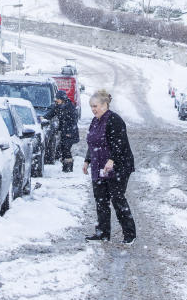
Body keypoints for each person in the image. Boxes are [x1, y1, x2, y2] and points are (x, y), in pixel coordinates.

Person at [82, 89, 136, 244]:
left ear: (105, 105)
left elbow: (120, 143)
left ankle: (129, 234)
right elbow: (93, 143)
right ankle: (103, 233)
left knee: (117, 199)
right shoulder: (95, 121)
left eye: (96, 106)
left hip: (118, 166)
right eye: (91, 106)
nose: (93, 109)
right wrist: (87, 160)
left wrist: (112, 159)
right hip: (99, 166)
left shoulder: (114, 120)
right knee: (101, 200)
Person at [51, 90, 79, 172]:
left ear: (62, 99)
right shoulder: (58, 106)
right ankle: (65, 166)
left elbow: (73, 120)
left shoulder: (70, 106)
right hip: (64, 131)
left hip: (70, 132)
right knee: (63, 148)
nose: (56, 100)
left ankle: (69, 167)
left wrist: (69, 133)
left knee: (66, 148)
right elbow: (52, 113)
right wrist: (44, 117)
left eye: (58, 98)